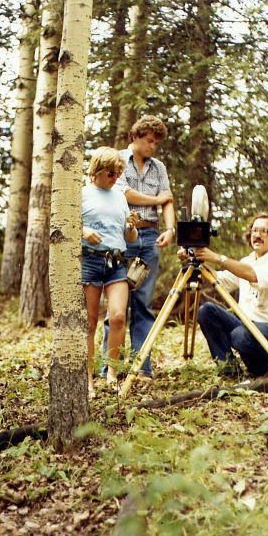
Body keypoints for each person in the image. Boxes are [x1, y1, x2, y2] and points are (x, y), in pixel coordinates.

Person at [102, 115, 175, 379]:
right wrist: (157, 199)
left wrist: (170, 229)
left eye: (156, 143)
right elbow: (125, 194)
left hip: (150, 238)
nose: (152, 147)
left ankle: (142, 367)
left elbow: (168, 201)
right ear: (135, 136)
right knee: (117, 306)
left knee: (143, 304)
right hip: (123, 237)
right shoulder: (118, 161)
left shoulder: (159, 168)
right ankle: (108, 366)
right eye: (148, 141)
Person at [183, 213, 268, 378]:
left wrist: (219, 258)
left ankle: (264, 368)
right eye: (255, 230)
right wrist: (197, 259)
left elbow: (252, 275)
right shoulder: (247, 261)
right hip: (247, 325)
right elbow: (221, 280)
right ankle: (229, 370)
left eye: (264, 231)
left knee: (240, 335)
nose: (257, 235)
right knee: (206, 311)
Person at [82, 147, 139, 397]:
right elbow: (68, 224)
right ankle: (87, 378)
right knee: (90, 322)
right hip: (90, 261)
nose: (115, 178)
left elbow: (131, 236)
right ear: (96, 171)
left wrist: (132, 227)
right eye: (110, 173)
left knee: (117, 317)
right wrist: (84, 232)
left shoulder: (119, 195)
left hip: (116, 261)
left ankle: (112, 372)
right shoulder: (83, 193)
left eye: (118, 173)